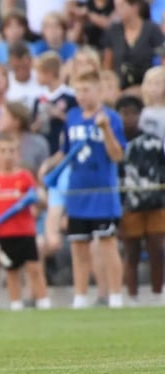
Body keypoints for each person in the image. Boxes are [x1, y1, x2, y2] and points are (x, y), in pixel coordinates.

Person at [38, 70, 127, 309]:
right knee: (79, 244)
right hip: (77, 191)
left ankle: (116, 295)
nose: (81, 95)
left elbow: (117, 155)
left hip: (103, 192)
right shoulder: (72, 117)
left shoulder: (111, 118)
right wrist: (49, 165)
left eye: (86, 90)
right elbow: (65, 151)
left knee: (107, 243)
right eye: (77, 90)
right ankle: (79, 296)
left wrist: (106, 129)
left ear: (98, 90)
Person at [0, 135, 51, 311]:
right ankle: (15, 303)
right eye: (3, 151)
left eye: (11, 151)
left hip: (25, 231)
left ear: (18, 154)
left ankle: (43, 300)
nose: (7, 155)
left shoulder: (25, 177)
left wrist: (39, 201)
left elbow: (38, 201)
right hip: (4, 232)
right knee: (10, 269)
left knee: (33, 267)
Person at [120, 69, 165, 304]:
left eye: (133, 113)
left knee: (157, 248)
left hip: (155, 200)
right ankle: (132, 295)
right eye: (124, 113)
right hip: (130, 201)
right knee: (132, 251)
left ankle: (158, 293)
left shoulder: (153, 142)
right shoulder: (118, 145)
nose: (129, 118)